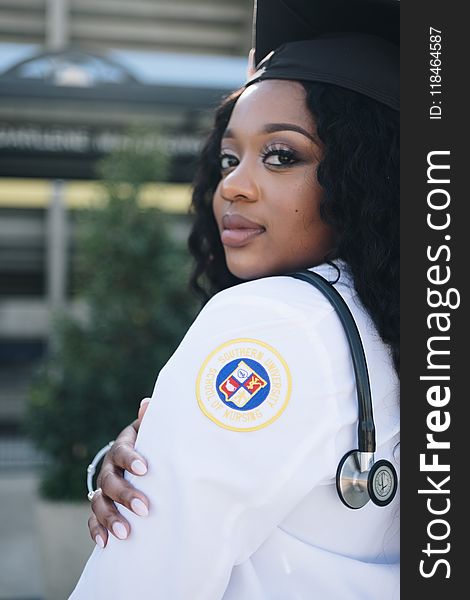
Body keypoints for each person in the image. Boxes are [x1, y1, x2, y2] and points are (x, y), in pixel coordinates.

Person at [70, 1, 400, 598]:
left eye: (282, 156)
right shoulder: (406, 328)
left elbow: (138, 583)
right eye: (230, 156)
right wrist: (161, 446)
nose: (233, 184)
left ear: (365, 174)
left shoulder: (272, 320)